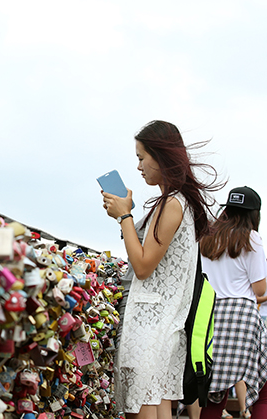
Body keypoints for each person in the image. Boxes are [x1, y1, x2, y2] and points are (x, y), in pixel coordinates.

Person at [102, 120, 220, 419]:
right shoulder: (184, 202)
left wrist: (124, 216)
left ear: (161, 155)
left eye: (142, 157)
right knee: (159, 406)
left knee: (139, 407)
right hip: (168, 327)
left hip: (150, 326)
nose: (139, 166)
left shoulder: (171, 203)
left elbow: (142, 266)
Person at [198, 186, 267, 418]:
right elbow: (260, 289)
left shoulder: (206, 237)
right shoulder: (252, 238)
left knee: (213, 390)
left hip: (209, 312)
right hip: (241, 315)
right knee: (261, 386)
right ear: (253, 214)